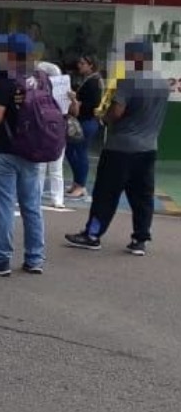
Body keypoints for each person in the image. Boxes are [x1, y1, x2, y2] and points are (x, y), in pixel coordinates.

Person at [64, 38, 169, 256]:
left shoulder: (129, 80)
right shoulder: (161, 82)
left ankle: (92, 235)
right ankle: (140, 239)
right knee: (142, 195)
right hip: (148, 148)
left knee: (105, 193)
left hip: (120, 148)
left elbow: (117, 113)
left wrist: (104, 117)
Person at [0, 33, 45, 276]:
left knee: (5, 206)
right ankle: (35, 258)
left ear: (11, 54)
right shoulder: (40, 78)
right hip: (33, 149)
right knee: (32, 206)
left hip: (4, 150)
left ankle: (1, 259)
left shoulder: (6, 80)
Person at [65, 54, 103, 199]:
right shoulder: (88, 80)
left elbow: (92, 103)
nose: (79, 66)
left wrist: (76, 101)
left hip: (87, 121)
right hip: (83, 120)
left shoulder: (93, 82)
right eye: (79, 63)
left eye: (82, 63)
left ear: (90, 65)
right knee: (71, 150)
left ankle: (80, 185)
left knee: (80, 152)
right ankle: (77, 182)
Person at [36, 61, 67, 209]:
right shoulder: (37, 92)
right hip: (52, 131)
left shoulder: (59, 92)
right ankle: (54, 198)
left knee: (50, 167)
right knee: (50, 168)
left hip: (51, 130)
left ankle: (52, 197)